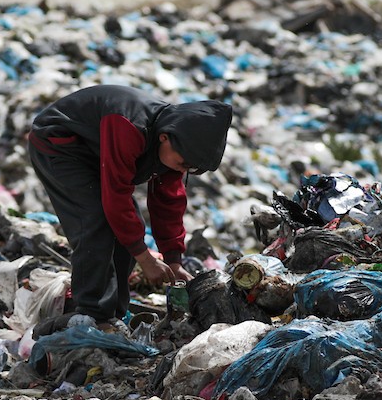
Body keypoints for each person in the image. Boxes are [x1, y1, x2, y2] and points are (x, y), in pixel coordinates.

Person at [27, 85, 233, 334]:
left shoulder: (174, 149)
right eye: (183, 164)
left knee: (125, 229)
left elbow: (168, 203)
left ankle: (113, 312)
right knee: (96, 223)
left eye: (190, 169)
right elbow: (115, 197)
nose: (182, 171)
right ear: (164, 137)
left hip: (96, 155)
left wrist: (173, 259)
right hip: (61, 146)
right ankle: (91, 312)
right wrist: (145, 259)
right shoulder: (129, 125)